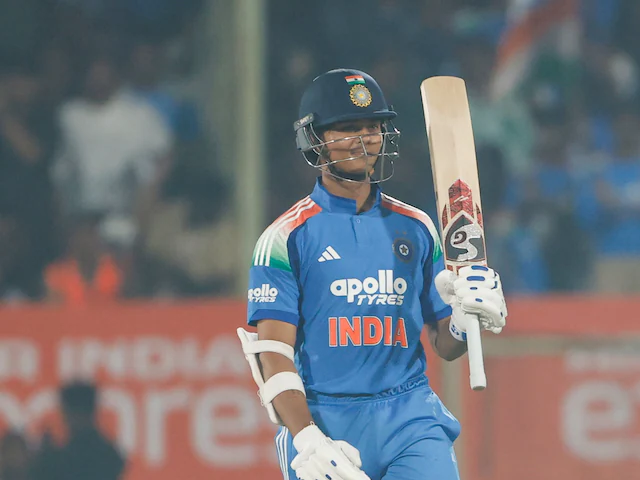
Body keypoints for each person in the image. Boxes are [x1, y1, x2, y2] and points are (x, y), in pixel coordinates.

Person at [238, 68, 507, 480]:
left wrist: (465, 318)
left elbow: (446, 345)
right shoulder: (285, 238)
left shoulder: (417, 228)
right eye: (348, 128)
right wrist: (307, 438)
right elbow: (274, 354)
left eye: (373, 127)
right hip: (325, 418)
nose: (364, 139)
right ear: (314, 139)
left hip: (409, 415)